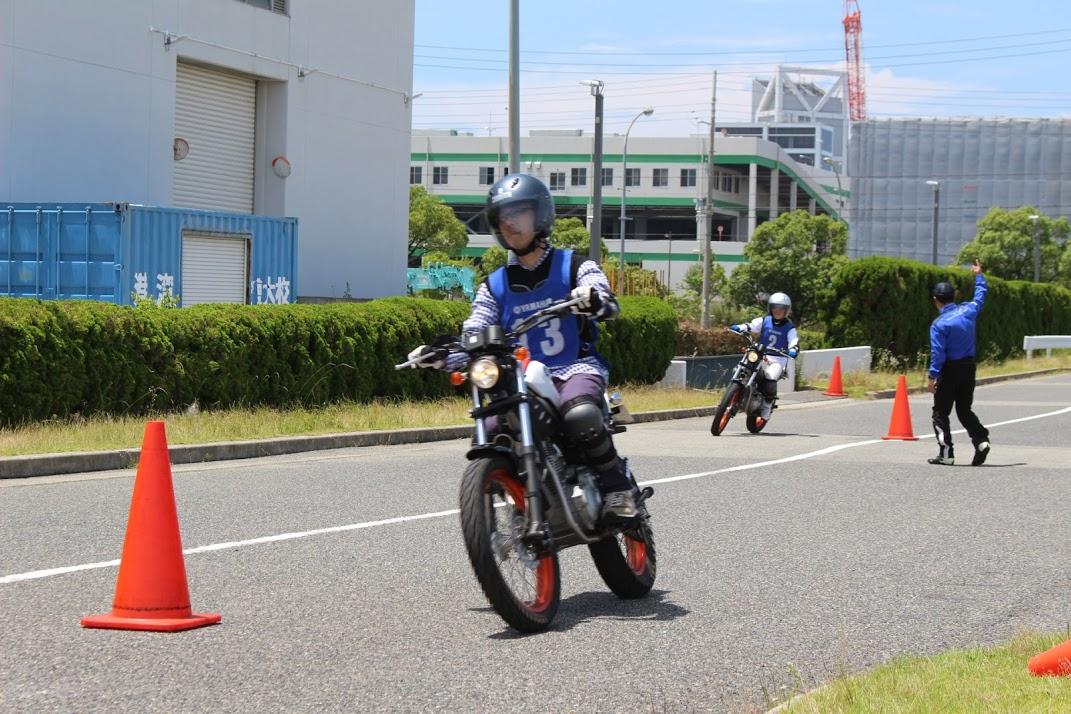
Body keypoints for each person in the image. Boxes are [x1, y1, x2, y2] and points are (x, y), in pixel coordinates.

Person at [408, 173, 636, 520]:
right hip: (520, 380)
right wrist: (441, 355)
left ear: (540, 215)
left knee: (581, 415)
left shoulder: (574, 265)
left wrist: (593, 298)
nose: (509, 223)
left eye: (518, 213)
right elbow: (475, 330)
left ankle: (618, 488)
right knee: (488, 431)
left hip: (574, 366)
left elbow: (601, 293)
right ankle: (517, 503)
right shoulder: (494, 286)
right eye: (503, 217)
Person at [927, 259, 991, 466]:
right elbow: (981, 296)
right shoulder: (969, 311)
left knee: (940, 412)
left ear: (936, 300)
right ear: (954, 297)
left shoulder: (939, 324)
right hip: (969, 367)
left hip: (950, 370)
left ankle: (947, 454)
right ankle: (981, 441)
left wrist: (932, 376)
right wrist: (978, 275)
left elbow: (938, 353)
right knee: (964, 410)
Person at [726, 292, 800, 430]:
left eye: (781, 308)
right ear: (770, 308)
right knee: (743, 366)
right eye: (775, 307)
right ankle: (732, 394)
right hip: (760, 354)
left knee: (770, 376)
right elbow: (751, 325)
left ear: (786, 310)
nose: (777, 311)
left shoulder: (790, 327)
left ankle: (767, 405)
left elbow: (794, 341)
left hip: (778, 359)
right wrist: (740, 328)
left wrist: (793, 350)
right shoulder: (765, 320)